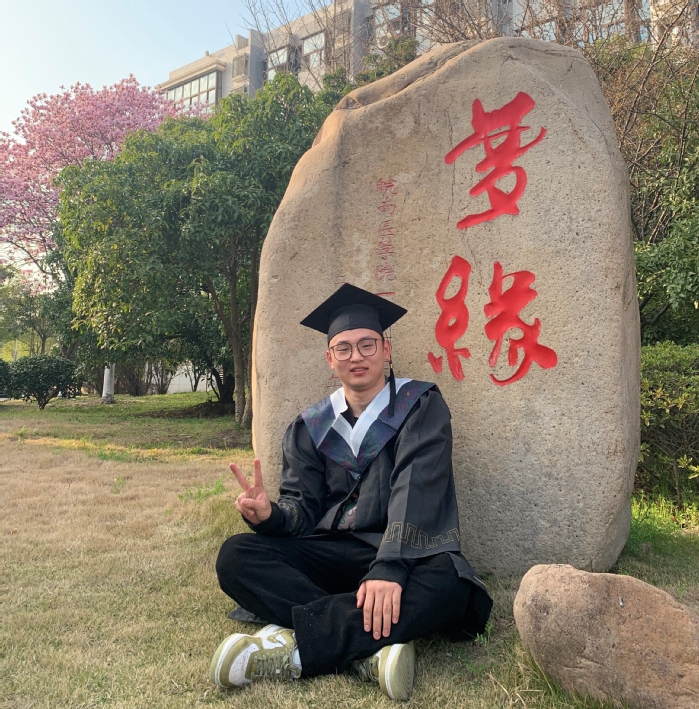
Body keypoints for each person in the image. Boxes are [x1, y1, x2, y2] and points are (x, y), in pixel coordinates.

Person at [210, 284, 492, 701]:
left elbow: (417, 488)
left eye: (366, 345)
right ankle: (368, 649)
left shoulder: (421, 405)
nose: (356, 356)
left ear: (386, 349)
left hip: (403, 552)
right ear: (330, 358)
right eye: (343, 348)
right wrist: (271, 516)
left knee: (451, 581)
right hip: (335, 552)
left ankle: (300, 647)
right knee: (237, 556)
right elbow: (302, 508)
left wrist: (390, 566)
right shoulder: (312, 425)